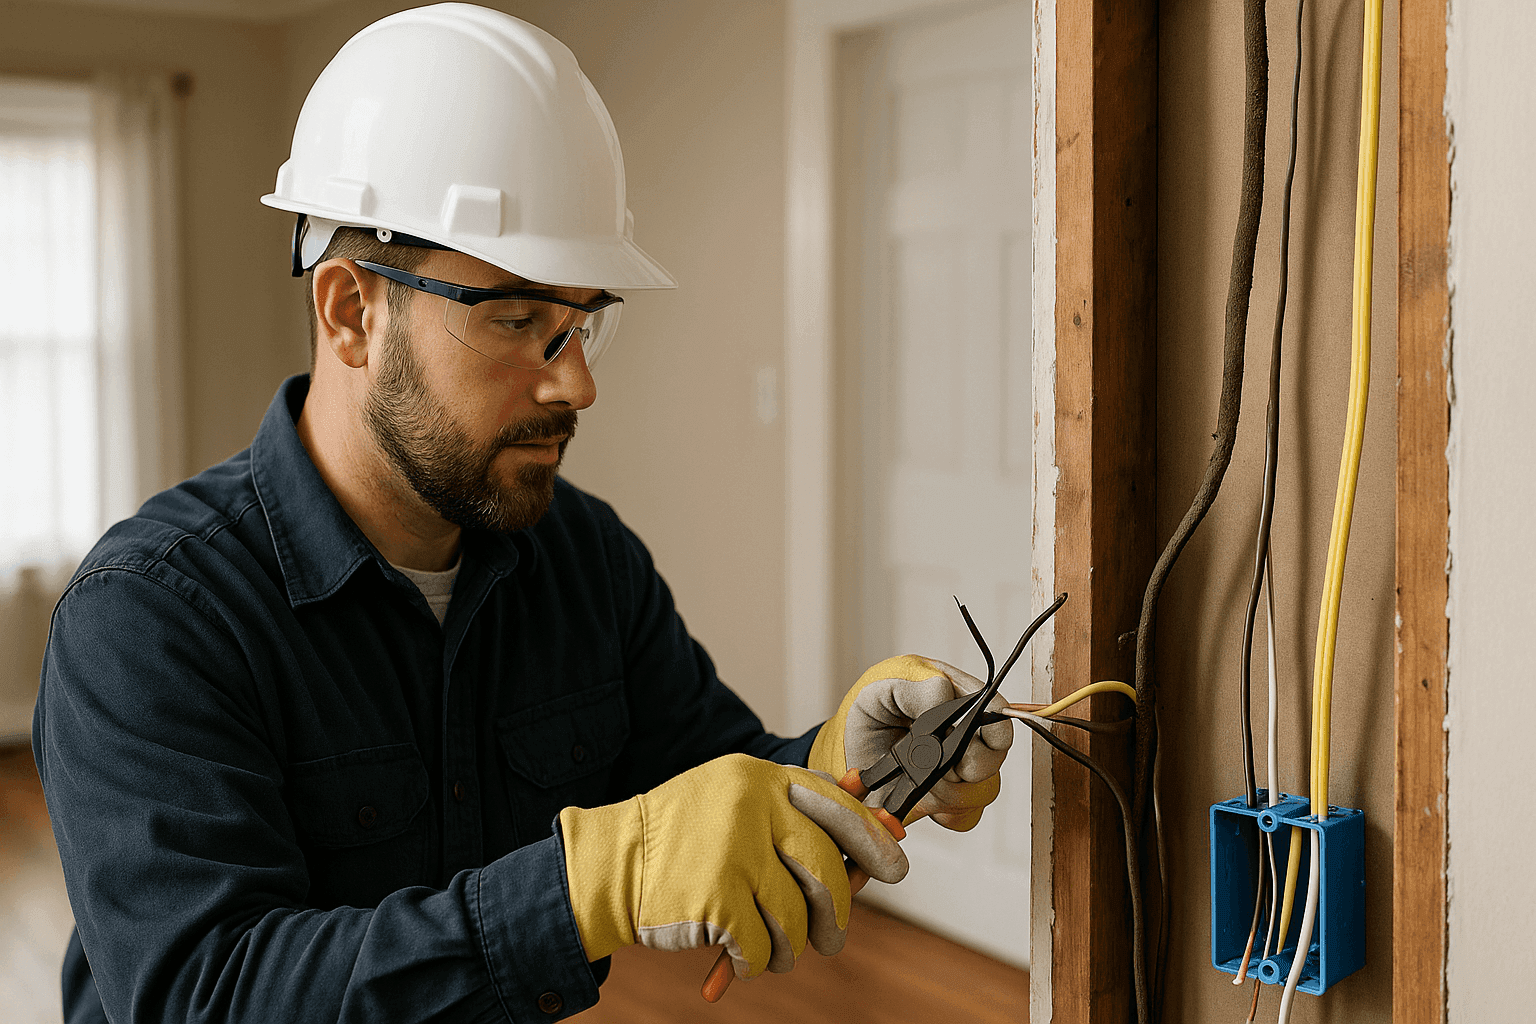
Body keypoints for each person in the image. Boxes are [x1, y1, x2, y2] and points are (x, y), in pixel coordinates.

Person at [33, 6, 1015, 1022]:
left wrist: (836, 765)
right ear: (350, 311)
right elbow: (203, 993)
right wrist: (583, 886)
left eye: (582, 322)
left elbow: (705, 783)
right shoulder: (151, 618)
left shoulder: (581, 558)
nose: (576, 384)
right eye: (517, 320)